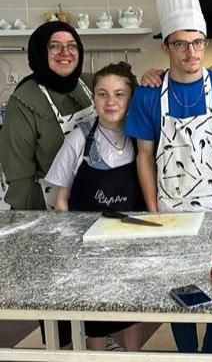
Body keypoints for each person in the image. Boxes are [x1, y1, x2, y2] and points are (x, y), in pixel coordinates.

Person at [125, 0, 212, 353]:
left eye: (197, 42)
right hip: (171, 209)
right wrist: (153, 210)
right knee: (178, 284)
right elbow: (144, 156)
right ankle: (187, 354)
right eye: (180, 44)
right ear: (166, 47)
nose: (191, 52)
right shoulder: (148, 95)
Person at [44, 61, 143, 351]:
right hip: (88, 244)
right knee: (95, 310)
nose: (111, 102)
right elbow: (61, 198)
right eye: (102, 94)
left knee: (133, 304)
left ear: (131, 97)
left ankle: (133, 356)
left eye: (119, 94)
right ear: (93, 98)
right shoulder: (81, 137)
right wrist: (66, 243)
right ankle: (97, 356)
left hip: (130, 242)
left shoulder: (140, 136)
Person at [0, 21, 95, 211]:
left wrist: (153, 76)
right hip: (53, 209)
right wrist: (32, 222)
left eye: (72, 46)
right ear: (40, 52)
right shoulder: (24, 100)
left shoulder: (91, 82)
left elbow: (131, 94)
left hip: (99, 198)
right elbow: (20, 178)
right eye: (55, 46)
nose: (65, 52)